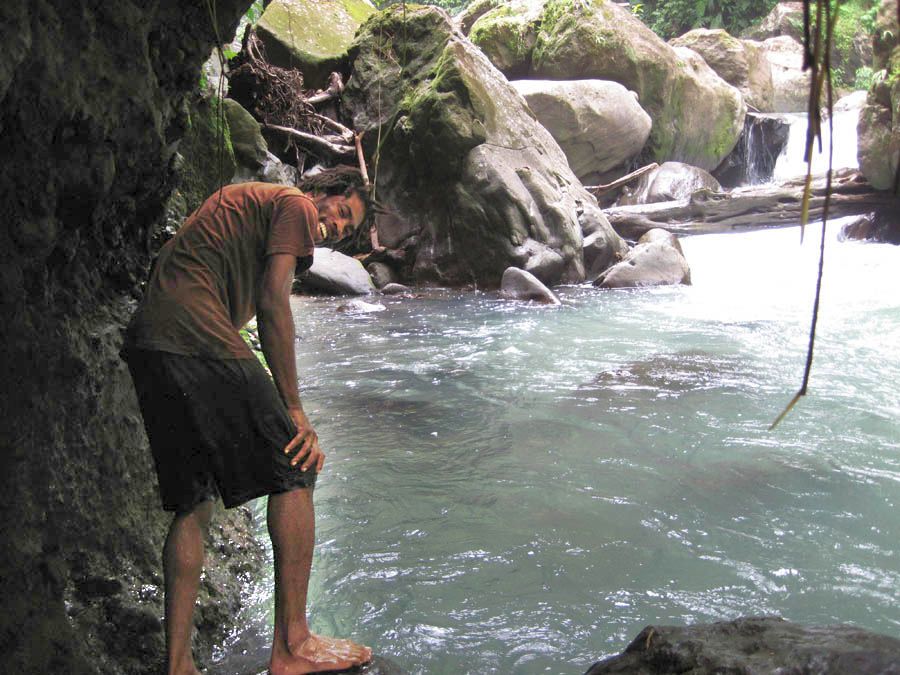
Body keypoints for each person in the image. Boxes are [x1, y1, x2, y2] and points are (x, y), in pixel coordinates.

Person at [122, 166, 373, 675]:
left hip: (151, 341)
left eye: (346, 229)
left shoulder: (251, 203)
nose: (335, 227)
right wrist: (294, 409)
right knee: (296, 464)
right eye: (341, 211)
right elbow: (273, 301)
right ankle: (293, 644)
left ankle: (178, 665)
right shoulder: (294, 203)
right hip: (194, 331)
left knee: (194, 501)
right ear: (323, 191)